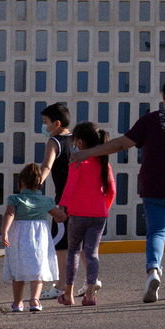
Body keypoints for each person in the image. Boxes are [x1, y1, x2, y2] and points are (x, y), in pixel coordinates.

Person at [70, 68, 165, 303]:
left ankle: (153, 271)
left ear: (163, 96)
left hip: (154, 188)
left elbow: (119, 144)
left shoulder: (148, 121)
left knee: (157, 233)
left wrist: (87, 153)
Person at [38, 103, 94, 300]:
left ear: (57, 123)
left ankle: (61, 285)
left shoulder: (55, 142)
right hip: (86, 200)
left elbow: (46, 165)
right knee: (85, 243)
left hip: (65, 201)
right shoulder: (78, 141)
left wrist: (35, 184)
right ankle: (92, 280)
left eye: (45, 123)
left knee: (62, 244)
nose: (43, 126)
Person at [57, 122, 116, 307]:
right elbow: (112, 191)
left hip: (78, 213)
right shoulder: (104, 162)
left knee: (73, 251)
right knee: (92, 253)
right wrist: (103, 207)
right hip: (99, 214)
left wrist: (62, 207)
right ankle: (90, 295)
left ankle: (69, 294)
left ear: (80, 142)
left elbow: (70, 187)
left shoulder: (78, 160)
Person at [1, 163, 68, 312]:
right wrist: (62, 213)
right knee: (38, 270)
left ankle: (17, 303)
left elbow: (10, 214)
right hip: (39, 238)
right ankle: (35, 301)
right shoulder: (46, 201)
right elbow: (60, 216)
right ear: (40, 185)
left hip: (18, 237)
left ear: (20, 183)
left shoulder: (15, 199)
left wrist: (5, 231)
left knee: (17, 271)